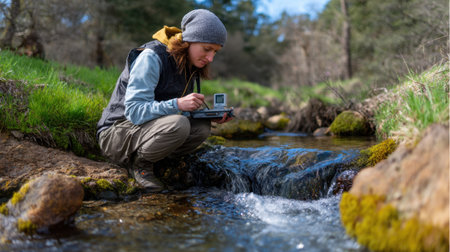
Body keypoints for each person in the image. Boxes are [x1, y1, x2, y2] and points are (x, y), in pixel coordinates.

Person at [96, 9, 232, 191]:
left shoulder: (188, 63)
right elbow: (135, 112)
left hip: (144, 132)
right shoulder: (152, 57)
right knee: (179, 124)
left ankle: (161, 162)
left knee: (201, 128)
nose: (210, 58)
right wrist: (177, 104)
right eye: (207, 49)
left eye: (215, 52)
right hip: (115, 134)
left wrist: (207, 115)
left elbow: (169, 112)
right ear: (188, 41)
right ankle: (140, 167)